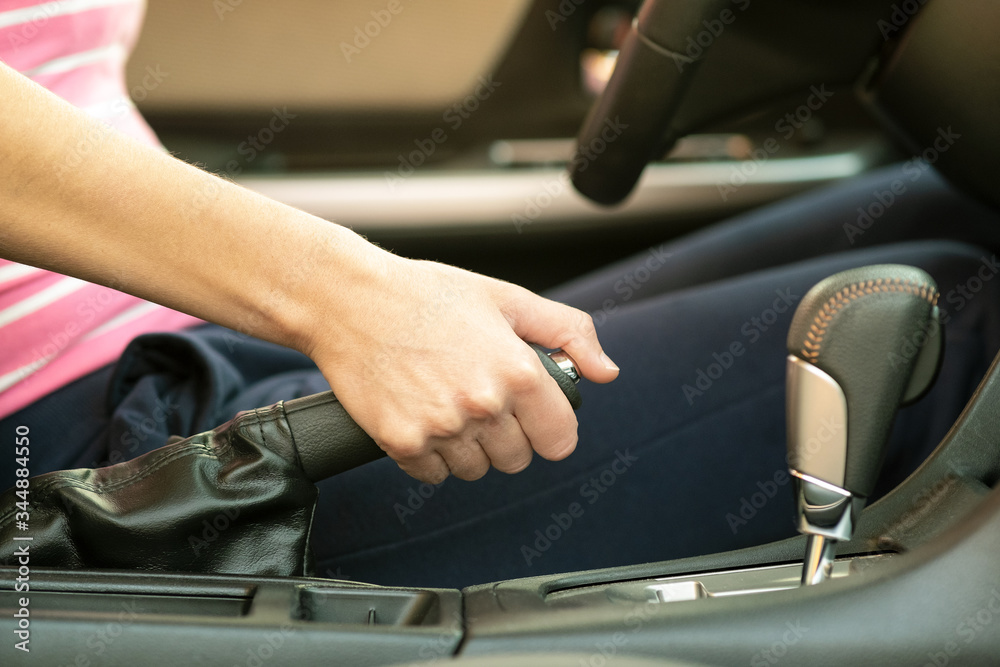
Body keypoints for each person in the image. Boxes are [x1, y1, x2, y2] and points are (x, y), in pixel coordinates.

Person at [3, 1, 1000, 590]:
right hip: (82, 474)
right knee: (953, 320)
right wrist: (346, 296)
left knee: (938, 205)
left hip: (160, 348)